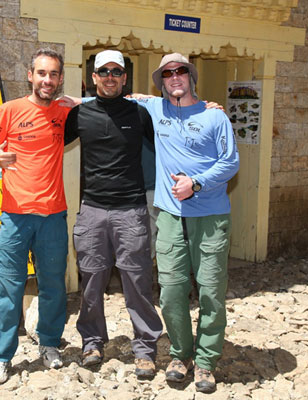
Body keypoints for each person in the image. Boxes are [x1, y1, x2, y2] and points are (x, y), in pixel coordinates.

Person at [134, 53, 239, 393]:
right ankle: (181, 354)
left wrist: (195, 183)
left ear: (191, 77)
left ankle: (206, 361)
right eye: (167, 74)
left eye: (180, 71)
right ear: (161, 82)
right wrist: (62, 99)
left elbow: (230, 163)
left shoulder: (214, 117)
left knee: (211, 292)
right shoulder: (156, 109)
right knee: (171, 293)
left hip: (209, 217)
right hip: (169, 217)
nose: (174, 77)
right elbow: (114, 99)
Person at [0, 48, 71, 384]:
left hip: (53, 216)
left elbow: (109, 103)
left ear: (60, 79)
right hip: (15, 217)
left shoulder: (64, 111)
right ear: (30, 75)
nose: (47, 80)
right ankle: (0, 357)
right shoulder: (10, 110)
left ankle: (49, 344)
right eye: (41, 73)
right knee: (8, 290)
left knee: (54, 288)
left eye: (54, 74)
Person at [64, 50, 164, 379]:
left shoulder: (140, 114)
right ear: (93, 77)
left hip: (132, 210)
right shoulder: (79, 114)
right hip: (92, 210)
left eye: (116, 72)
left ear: (124, 78)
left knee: (138, 280)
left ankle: (146, 347)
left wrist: (205, 107)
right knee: (92, 279)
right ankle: (92, 341)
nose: (109, 77)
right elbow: (44, 133)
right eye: (103, 71)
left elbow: (174, 127)